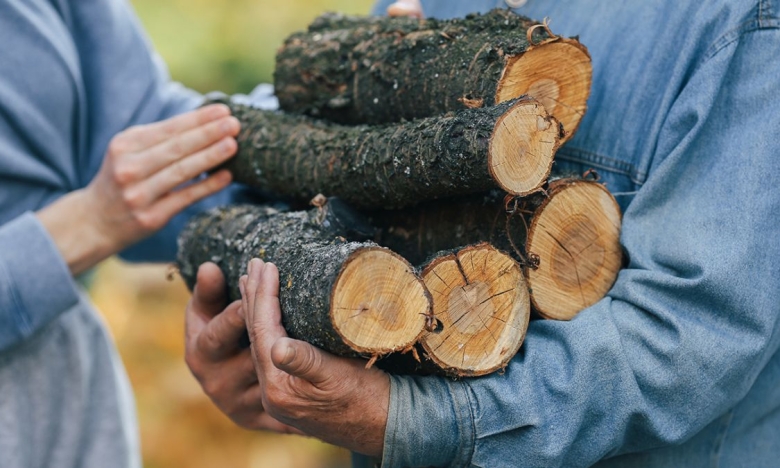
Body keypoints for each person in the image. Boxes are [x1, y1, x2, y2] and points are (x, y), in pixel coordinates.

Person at [185, 0, 780, 466]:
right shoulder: (418, 6)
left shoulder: (739, 23)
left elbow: (691, 335)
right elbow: (335, 199)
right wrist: (260, 346)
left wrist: (413, 421)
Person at [0, 1, 276, 467]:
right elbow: (104, 206)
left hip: (62, 410)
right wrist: (81, 227)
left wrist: (343, 109)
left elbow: (137, 130)